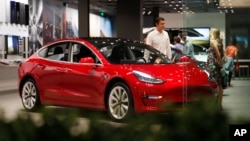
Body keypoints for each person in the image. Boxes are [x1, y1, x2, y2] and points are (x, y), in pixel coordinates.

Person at [206, 28, 224, 108]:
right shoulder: (220, 42)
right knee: (219, 84)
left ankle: (214, 104)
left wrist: (220, 63)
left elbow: (218, 54)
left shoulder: (213, 42)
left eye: (210, 32)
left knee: (213, 84)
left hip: (212, 65)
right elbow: (222, 54)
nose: (209, 33)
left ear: (213, 33)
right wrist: (220, 63)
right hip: (216, 64)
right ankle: (219, 104)